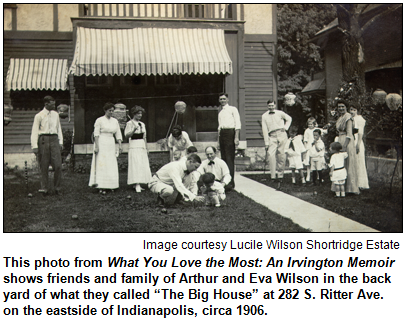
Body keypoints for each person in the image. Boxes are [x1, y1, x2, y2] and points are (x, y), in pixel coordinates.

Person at [31, 95, 63, 195]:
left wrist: (60, 142)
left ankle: (57, 188)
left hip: (54, 139)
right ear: (46, 104)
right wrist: (34, 146)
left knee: (58, 165)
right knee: (44, 165)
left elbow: (59, 129)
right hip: (43, 140)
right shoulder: (39, 116)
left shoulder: (56, 115)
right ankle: (44, 188)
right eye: (52, 104)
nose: (54, 105)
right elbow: (35, 131)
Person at [89, 102, 123, 194]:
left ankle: (111, 185)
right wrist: (97, 146)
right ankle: (101, 186)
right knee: (102, 164)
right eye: (109, 110)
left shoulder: (115, 121)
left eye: (112, 111)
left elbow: (118, 133)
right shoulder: (99, 120)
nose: (111, 112)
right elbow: (96, 134)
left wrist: (120, 145)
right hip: (101, 142)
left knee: (110, 164)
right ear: (105, 110)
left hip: (111, 143)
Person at [261, 100, 292, 184]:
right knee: (271, 155)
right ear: (267, 106)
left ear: (275, 105)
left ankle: (280, 175)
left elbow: (289, 119)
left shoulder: (280, 113)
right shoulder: (264, 116)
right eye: (269, 106)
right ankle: (273, 176)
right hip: (272, 136)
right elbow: (264, 129)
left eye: (272, 105)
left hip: (281, 134)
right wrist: (266, 142)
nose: (271, 107)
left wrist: (285, 127)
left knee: (281, 155)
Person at [334, 99, 359, 194]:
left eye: (342, 107)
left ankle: (350, 188)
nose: (341, 108)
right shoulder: (340, 117)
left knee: (348, 162)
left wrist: (344, 146)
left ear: (346, 107)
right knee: (341, 163)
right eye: (339, 107)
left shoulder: (348, 117)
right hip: (340, 139)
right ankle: (341, 186)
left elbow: (349, 133)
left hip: (347, 141)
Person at [124, 105, 151, 192]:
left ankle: (141, 182)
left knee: (142, 164)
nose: (140, 115)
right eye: (138, 114)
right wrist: (133, 130)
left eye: (141, 114)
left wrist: (146, 148)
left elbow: (144, 137)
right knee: (136, 164)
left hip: (141, 145)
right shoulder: (129, 123)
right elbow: (126, 135)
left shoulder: (142, 124)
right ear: (134, 114)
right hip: (134, 145)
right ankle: (136, 184)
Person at [217, 93, 241, 190]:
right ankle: (225, 181)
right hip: (222, 134)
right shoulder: (220, 113)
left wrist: (236, 137)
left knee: (229, 158)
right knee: (223, 159)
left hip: (230, 133)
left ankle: (231, 183)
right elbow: (219, 128)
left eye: (224, 99)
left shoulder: (233, 109)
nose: (222, 101)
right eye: (221, 99)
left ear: (227, 99)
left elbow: (238, 124)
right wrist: (218, 141)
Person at [350, 104, 369, 190]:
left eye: (354, 110)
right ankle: (353, 183)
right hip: (352, 140)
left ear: (357, 110)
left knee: (359, 161)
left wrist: (358, 143)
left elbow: (360, 132)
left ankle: (360, 184)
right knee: (353, 161)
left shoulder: (360, 119)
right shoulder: (350, 119)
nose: (352, 112)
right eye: (351, 110)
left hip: (357, 140)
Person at [303, 117, 328, 182]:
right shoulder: (307, 131)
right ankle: (308, 176)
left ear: (314, 124)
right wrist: (306, 148)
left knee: (318, 162)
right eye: (309, 124)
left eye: (311, 124)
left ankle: (318, 177)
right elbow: (305, 140)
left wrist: (327, 126)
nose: (310, 126)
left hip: (316, 147)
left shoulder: (317, 129)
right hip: (310, 147)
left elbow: (324, 131)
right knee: (309, 163)